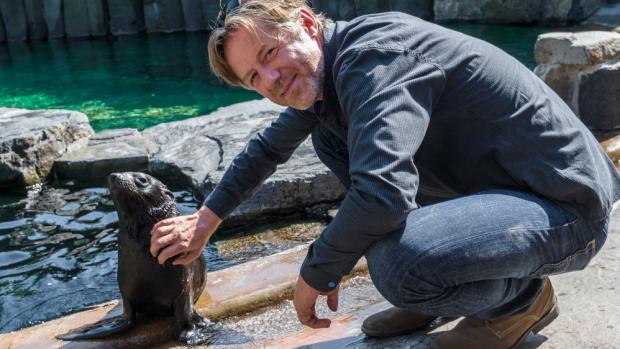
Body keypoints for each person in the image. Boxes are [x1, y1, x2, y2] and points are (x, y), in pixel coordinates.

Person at [149, 0, 620, 347]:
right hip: (509, 196)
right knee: (331, 140)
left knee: (401, 263)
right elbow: (266, 150)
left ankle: (518, 304)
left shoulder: (374, 57)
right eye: (254, 77)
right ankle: (439, 294)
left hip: (567, 206)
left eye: (269, 54)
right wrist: (205, 221)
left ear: (308, 24)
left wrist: (317, 271)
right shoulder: (326, 79)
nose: (270, 80)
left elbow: (384, 196)